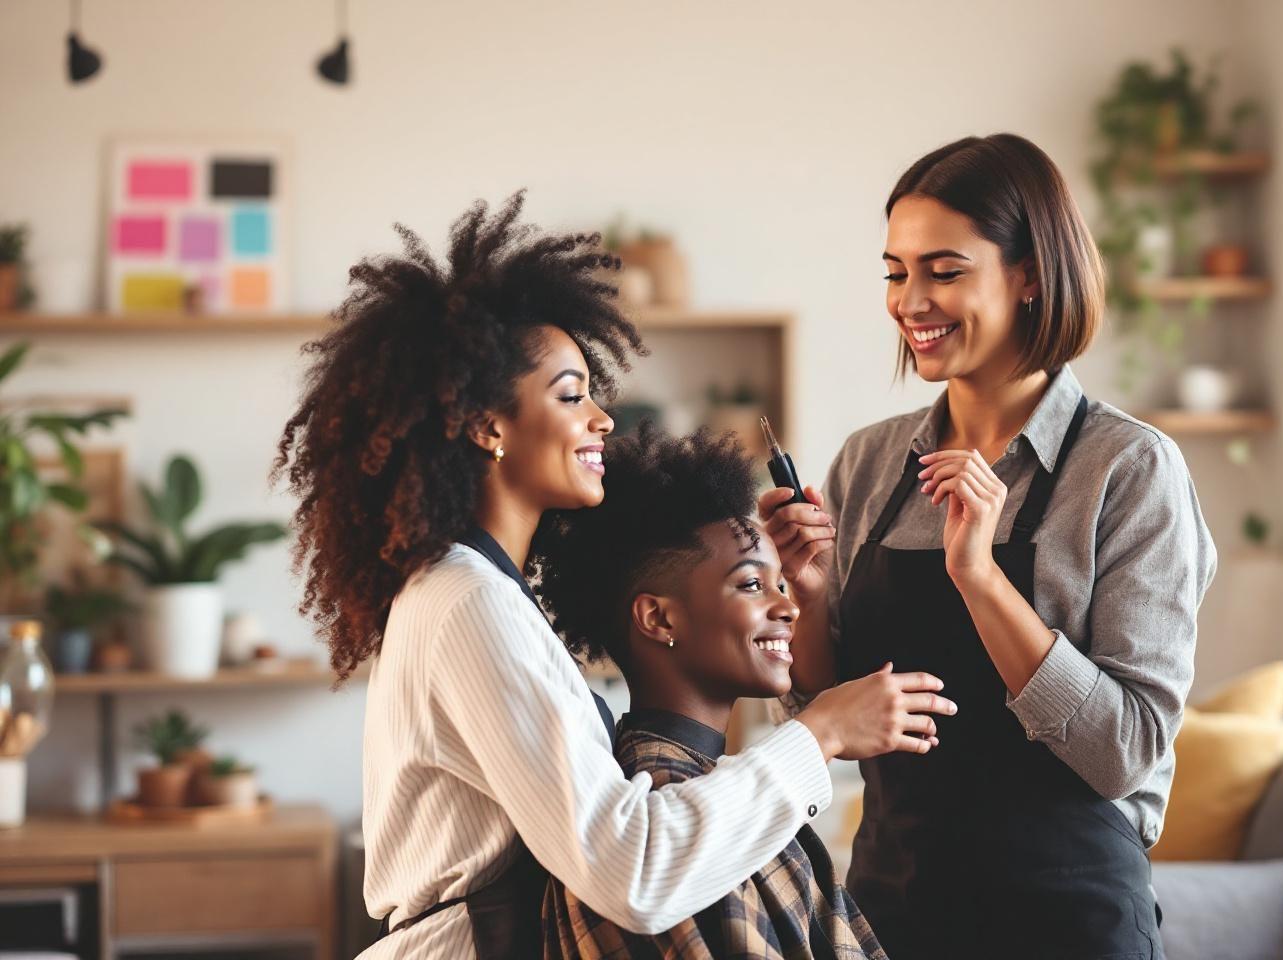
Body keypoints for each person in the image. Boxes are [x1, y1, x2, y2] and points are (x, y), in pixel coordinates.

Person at [274, 193, 956, 957]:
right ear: (487, 424)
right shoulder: (466, 601)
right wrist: (820, 731)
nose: (603, 418)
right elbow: (632, 869)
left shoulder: (484, 593)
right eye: (571, 396)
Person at [761, 134, 1217, 958]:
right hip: (892, 913)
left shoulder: (1128, 468)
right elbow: (823, 709)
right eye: (896, 272)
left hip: (1069, 924)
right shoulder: (871, 460)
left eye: (945, 270)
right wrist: (812, 590)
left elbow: (1124, 751)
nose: (911, 301)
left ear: (1031, 274)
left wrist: (977, 576)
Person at [534, 423, 887, 959]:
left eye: (782, 584)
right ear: (658, 617)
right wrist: (825, 729)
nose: (788, 607)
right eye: (750, 584)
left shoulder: (722, 789)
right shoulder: (667, 818)